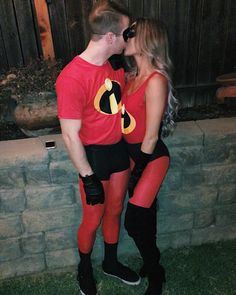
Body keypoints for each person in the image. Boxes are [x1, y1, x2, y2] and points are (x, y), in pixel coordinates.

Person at [56, 1, 141, 294]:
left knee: (115, 209)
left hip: (118, 150)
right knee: (93, 217)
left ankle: (111, 262)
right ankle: (84, 268)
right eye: (125, 33)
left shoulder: (113, 65)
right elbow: (69, 135)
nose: (128, 37)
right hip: (93, 157)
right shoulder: (71, 76)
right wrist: (88, 177)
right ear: (109, 37)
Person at [121, 18, 179, 295]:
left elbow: (151, 136)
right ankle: (152, 262)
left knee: (133, 220)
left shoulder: (156, 80)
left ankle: (156, 272)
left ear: (144, 39)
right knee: (146, 216)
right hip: (134, 157)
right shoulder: (130, 77)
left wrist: (137, 171)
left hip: (152, 158)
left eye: (130, 33)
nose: (125, 36)